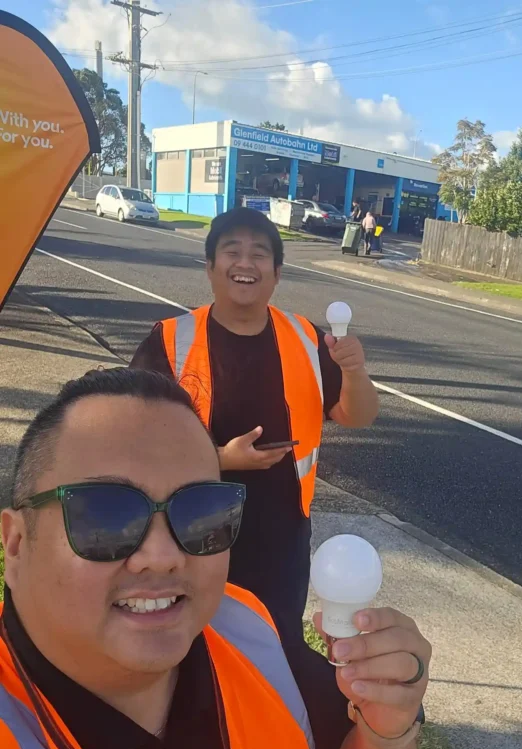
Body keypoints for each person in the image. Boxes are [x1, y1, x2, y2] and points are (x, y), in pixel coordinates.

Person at [0, 368, 431, 749]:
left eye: (200, 511)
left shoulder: (248, 633)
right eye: (105, 515)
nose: (162, 556)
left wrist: (386, 727)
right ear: (16, 544)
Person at [130, 207, 379, 638]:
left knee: (273, 649)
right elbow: (133, 443)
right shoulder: (169, 341)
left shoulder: (307, 338)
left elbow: (357, 415)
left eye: (259, 254)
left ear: (277, 272)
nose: (246, 264)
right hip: (188, 536)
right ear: (210, 266)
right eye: (232, 251)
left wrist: (354, 370)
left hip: (281, 539)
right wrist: (221, 459)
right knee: (193, 651)